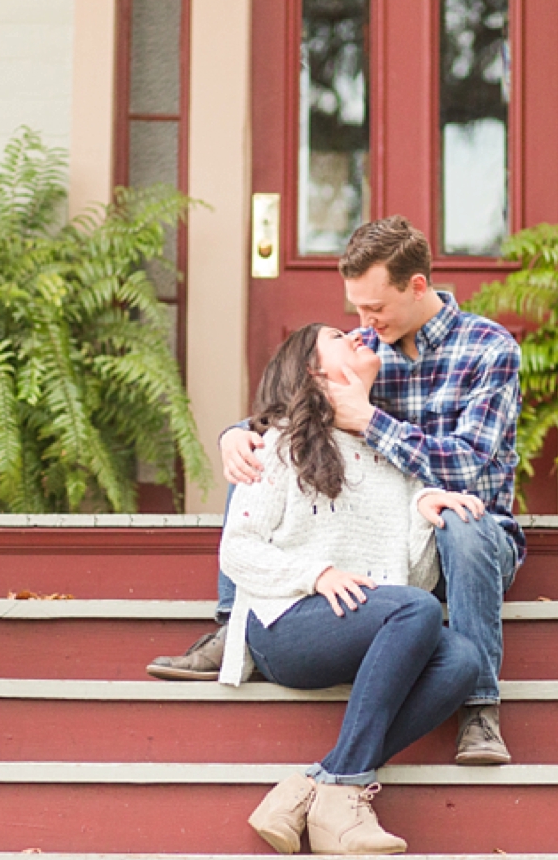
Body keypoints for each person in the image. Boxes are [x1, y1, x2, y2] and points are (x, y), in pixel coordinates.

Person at [148, 215, 524, 765]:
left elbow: (466, 468)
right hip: (394, 543)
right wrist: (238, 434)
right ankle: (234, 627)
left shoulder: (488, 349)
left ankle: (481, 709)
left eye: (375, 309)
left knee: (462, 525)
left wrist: (372, 422)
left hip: (471, 540)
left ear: (417, 286)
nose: (363, 323)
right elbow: (293, 415)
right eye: (356, 310)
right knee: (256, 454)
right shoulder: (369, 346)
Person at [222, 323, 487, 855]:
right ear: (317, 373)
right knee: (417, 613)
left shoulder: (393, 454)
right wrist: (315, 574)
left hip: (363, 629)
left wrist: (422, 516)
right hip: (286, 626)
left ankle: (317, 787)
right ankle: (341, 798)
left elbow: (409, 584)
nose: (361, 334)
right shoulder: (279, 448)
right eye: (341, 336)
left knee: (461, 658)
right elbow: (237, 549)